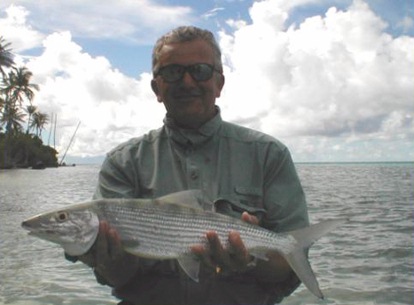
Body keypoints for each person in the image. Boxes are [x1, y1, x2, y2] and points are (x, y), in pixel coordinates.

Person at [67, 26, 309, 305]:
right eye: (172, 72)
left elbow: (284, 272)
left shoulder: (270, 154)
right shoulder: (122, 162)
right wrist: (108, 260)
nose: (187, 82)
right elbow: (119, 278)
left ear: (219, 83)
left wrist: (252, 259)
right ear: (157, 88)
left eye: (201, 70)